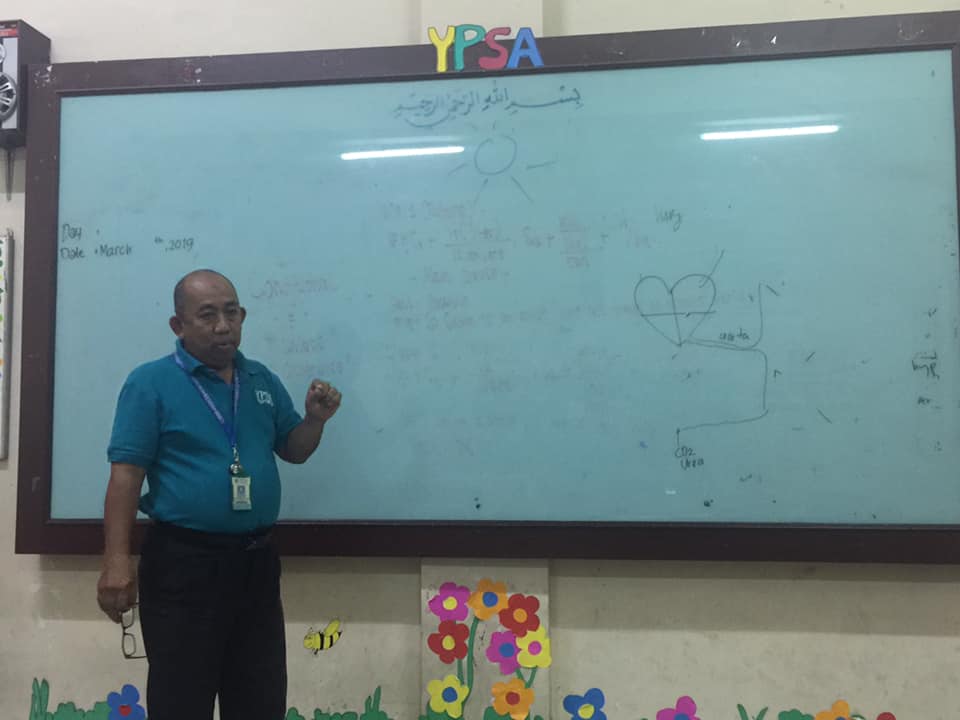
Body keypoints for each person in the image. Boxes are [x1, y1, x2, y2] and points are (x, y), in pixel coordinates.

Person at [95, 269, 341, 720]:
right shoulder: (150, 383)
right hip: (184, 564)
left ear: (243, 315)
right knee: (181, 701)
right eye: (208, 315)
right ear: (179, 325)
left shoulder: (260, 380)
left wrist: (314, 421)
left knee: (260, 699)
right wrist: (116, 563)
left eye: (231, 313)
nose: (223, 326)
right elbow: (125, 478)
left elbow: (294, 450)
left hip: (256, 563)